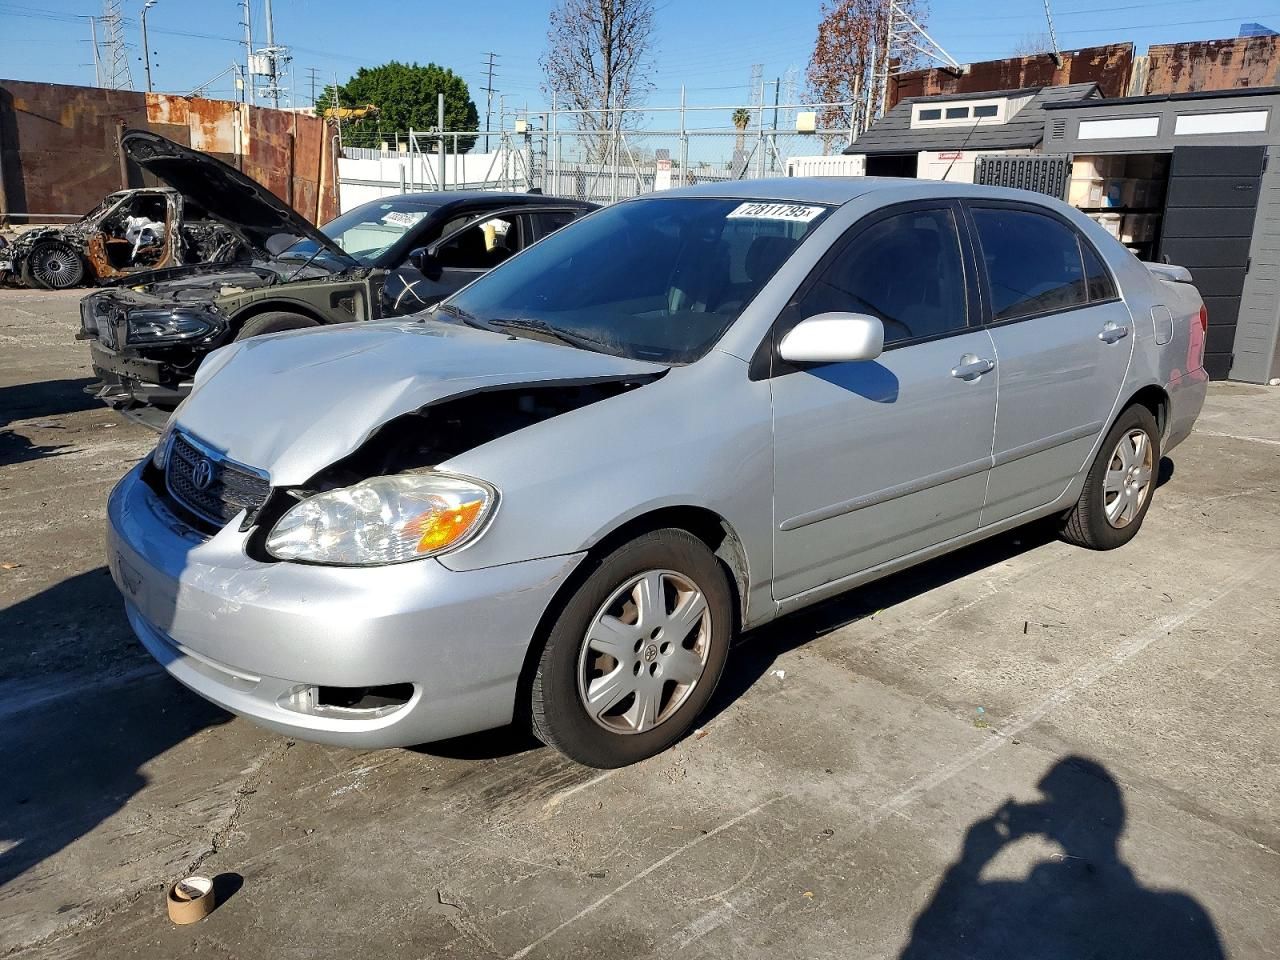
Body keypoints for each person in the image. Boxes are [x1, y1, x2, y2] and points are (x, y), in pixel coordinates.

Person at [899, 756, 1224, 960]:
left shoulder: (1005, 905)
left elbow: (921, 949)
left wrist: (969, 863)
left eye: (1051, 807)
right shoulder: (1181, 916)